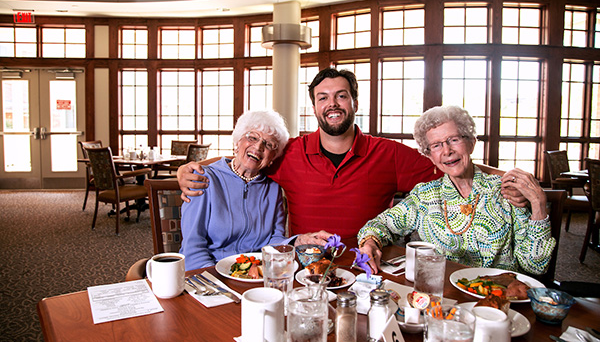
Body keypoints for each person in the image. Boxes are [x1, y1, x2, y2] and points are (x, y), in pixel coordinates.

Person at [177, 68, 524, 241]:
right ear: (314, 107)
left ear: (354, 103)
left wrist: (511, 178)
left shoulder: (387, 153)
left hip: (368, 264)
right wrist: (191, 170)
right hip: (304, 263)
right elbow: (246, 160)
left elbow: (455, 163)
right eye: (323, 97)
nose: (333, 104)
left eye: (341, 96)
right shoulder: (291, 152)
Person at [357, 105, 555, 275]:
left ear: (471, 142)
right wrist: (370, 243)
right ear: (430, 156)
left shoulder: (506, 192)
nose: (447, 151)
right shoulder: (425, 196)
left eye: (454, 139)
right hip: (446, 298)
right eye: (436, 145)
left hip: (499, 299)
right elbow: (378, 225)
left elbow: (535, 266)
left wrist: (538, 204)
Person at [180, 110, 331, 270]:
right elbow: (192, 248)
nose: (258, 147)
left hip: (256, 273)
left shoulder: (273, 188)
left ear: (273, 156)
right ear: (238, 141)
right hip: (210, 273)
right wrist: (217, 282)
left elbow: (275, 240)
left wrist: (298, 241)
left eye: (269, 144)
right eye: (252, 137)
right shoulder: (202, 178)